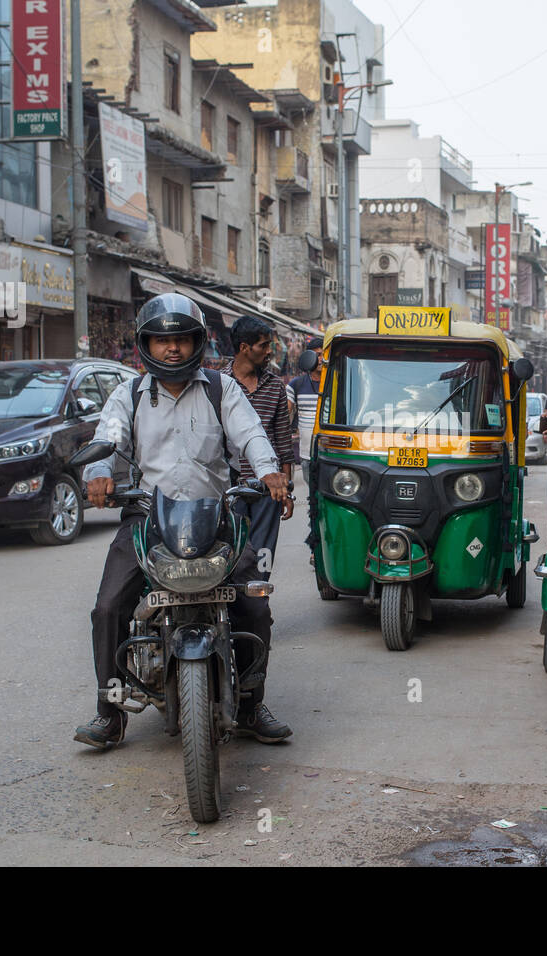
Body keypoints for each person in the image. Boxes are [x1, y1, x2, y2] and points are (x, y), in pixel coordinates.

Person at [75, 293, 292, 750]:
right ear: (146, 345)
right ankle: (109, 712)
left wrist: (269, 470)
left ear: (196, 342)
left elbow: (250, 432)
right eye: (160, 341)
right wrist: (97, 475)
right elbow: (107, 440)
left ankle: (252, 704)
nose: (171, 349)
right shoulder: (128, 394)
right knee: (109, 607)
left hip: (215, 513)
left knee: (254, 604)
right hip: (148, 515)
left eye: (180, 339)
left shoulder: (221, 388)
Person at [220, 315, 297, 574]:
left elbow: (284, 443)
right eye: (263, 345)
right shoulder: (218, 385)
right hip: (230, 487)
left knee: (263, 552)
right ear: (245, 348)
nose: (269, 351)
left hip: (268, 488)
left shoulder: (275, 386)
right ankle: (232, 607)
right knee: (230, 549)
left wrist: (287, 489)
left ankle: (259, 598)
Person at [288, 336, 324, 468]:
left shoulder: (337, 384)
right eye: (317, 355)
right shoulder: (295, 385)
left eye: (323, 355)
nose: (321, 359)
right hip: (306, 454)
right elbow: (285, 415)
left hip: (330, 453)